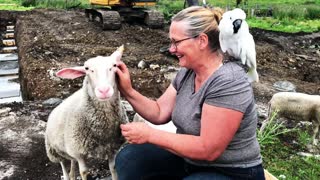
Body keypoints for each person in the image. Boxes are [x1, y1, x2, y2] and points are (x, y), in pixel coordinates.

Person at [115, 6, 265, 180]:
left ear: (202, 41)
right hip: (191, 162)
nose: (171, 49)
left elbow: (208, 150)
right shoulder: (188, 72)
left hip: (232, 171)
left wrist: (150, 134)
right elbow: (159, 112)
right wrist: (127, 90)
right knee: (130, 159)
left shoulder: (229, 81)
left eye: (176, 42)